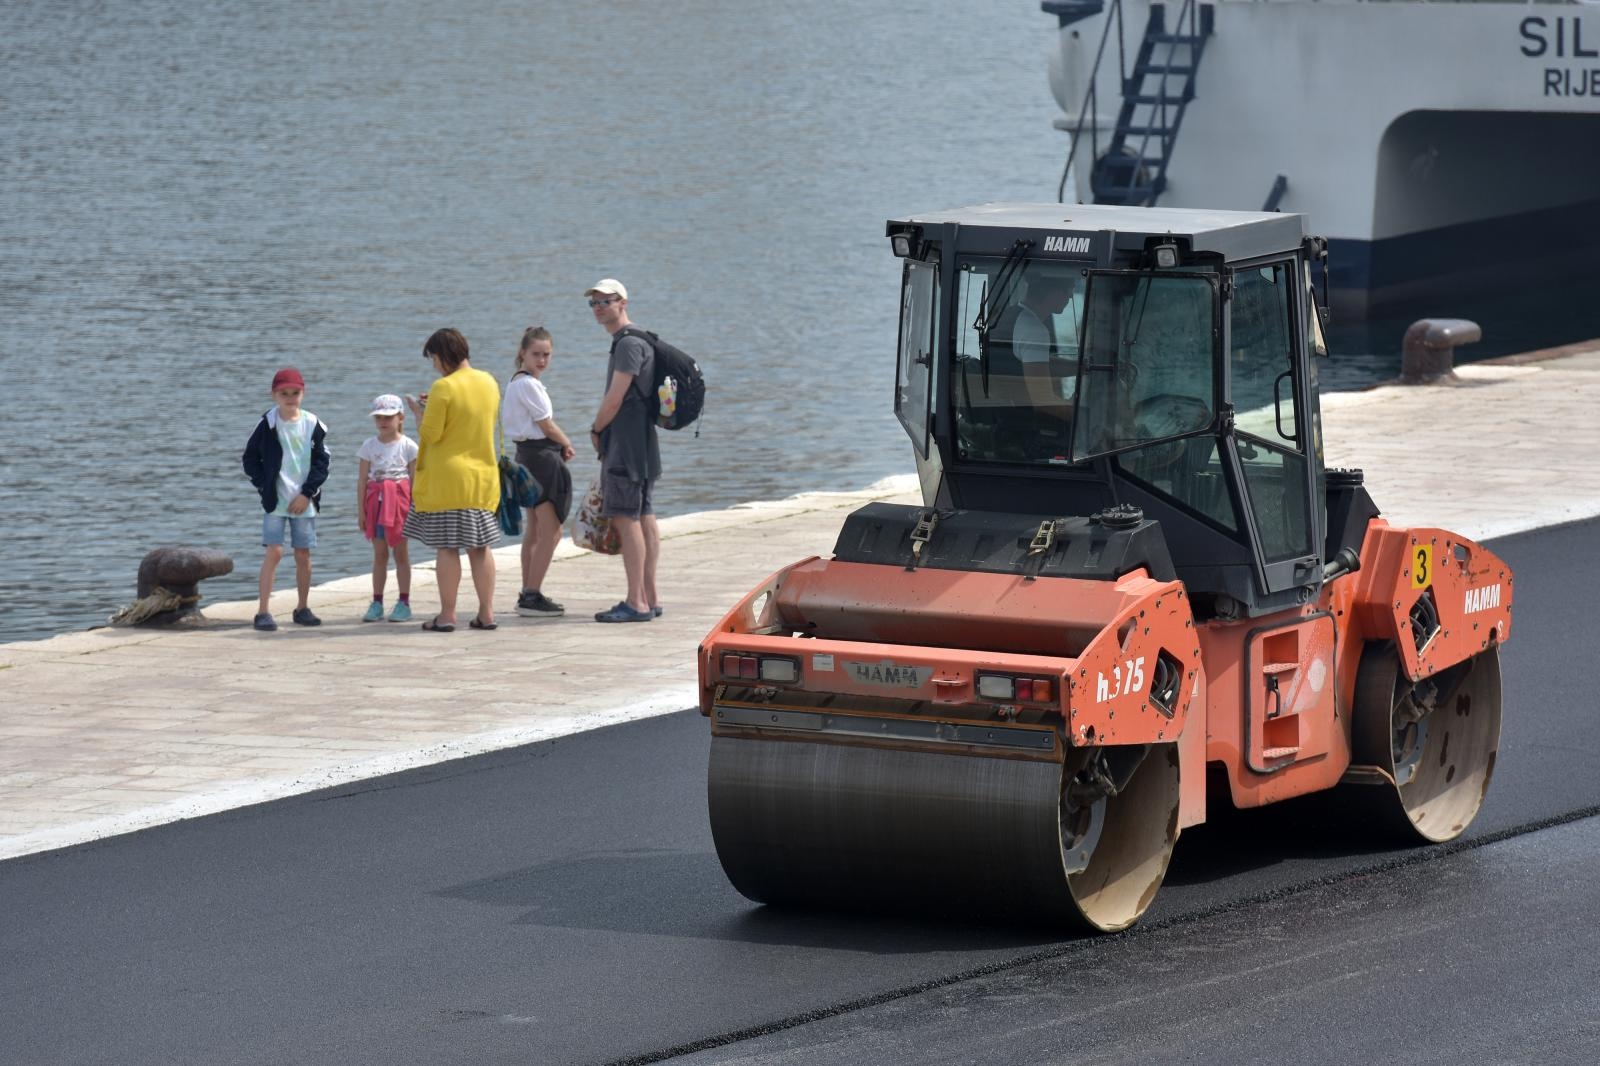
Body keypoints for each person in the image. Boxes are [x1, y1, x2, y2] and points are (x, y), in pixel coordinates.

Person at [402, 329, 501, 632]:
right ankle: (486, 613)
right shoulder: (489, 382)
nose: (433, 365)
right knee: (480, 548)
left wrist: (420, 412)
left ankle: (447, 615)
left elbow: (431, 434)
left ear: (443, 355)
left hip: (448, 480)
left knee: (447, 548)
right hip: (482, 477)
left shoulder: (443, 387)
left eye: (433, 358)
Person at [585, 278, 661, 623]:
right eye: (595, 303)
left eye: (606, 301)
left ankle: (636, 602)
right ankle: (649, 596)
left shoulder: (628, 344)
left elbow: (614, 398)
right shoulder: (639, 340)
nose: (600, 308)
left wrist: (596, 428)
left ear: (623, 302)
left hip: (626, 445)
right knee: (643, 515)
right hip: (642, 443)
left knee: (626, 517)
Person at [241, 366, 330, 632]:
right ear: (274, 395)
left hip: (304, 500)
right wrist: (262, 486)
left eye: (295, 392)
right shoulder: (267, 423)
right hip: (275, 500)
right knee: (275, 552)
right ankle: (263, 611)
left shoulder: (313, 424)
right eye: (284, 393)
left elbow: (322, 463)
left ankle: (302, 608)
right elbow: (249, 458)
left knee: (303, 554)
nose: (290, 398)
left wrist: (307, 493)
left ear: (303, 393)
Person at [501, 326, 576, 618]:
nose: (542, 360)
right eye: (536, 354)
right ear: (523, 353)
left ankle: (527, 590)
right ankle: (531, 594)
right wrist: (567, 442)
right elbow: (546, 424)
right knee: (552, 531)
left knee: (534, 530)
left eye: (546, 355)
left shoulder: (516, 382)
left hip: (525, 455)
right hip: (540, 457)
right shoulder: (528, 385)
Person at [355, 394, 419, 623]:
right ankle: (377, 601)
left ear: (400, 417)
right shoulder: (368, 446)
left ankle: (404, 601)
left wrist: (414, 507)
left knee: (401, 553)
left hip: (399, 504)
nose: (383, 422)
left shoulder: (409, 446)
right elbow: (362, 480)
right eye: (379, 417)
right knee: (379, 554)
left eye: (389, 417)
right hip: (376, 504)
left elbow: (414, 479)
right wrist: (361, 511)